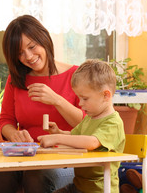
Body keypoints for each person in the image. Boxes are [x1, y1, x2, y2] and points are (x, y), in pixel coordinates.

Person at [0, 15, 85, 193]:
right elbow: (5, 120)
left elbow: (87, 125)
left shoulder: (77, 76)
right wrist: (13, 134)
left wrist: (57, 100)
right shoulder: (16, 80)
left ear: (44, 38)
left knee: (35, 176)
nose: (28, 56)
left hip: (67, 158)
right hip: (25, 157)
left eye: (32, 47)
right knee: (1, 173)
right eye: (20, 53)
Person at [38, 59, 125, 193]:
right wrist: (59, 132)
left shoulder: (113, 122)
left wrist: (57, 138)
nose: (80, 103)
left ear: (106, 95)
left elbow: (91, 142)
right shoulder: (89, 119)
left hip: (99, 189)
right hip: (79, 185)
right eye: (79, 98)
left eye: (85, 98)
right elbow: (74, 137)